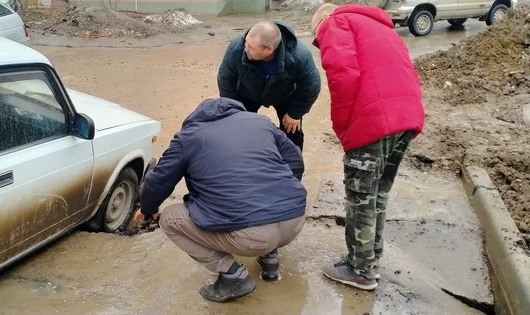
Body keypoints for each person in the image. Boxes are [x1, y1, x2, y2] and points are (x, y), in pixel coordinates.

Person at [132, 97, 308, 303]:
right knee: (259, 207)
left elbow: (158, 181)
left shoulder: (188, 137)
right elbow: (296, 161)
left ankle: (233, 276)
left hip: (253, 237)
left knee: (169, 219)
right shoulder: (260, 122)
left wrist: (147, 209)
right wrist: (279, 195)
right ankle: (270, 260)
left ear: (194, 118)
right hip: (295, 221)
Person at [310, 4, 425, 290]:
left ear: (324, 18)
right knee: (378, 193)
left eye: (317, 36)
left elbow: (342, 75)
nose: (320, 40)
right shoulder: (381, 27)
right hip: (406, 116)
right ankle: (369, 258)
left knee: (361, 197)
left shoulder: (335, 22)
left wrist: (345, 128)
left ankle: (359, 270)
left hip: (373, 118)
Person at [217, 20, 321, 152]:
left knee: (293, 131)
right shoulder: (237, 48)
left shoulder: (299, 55)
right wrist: (235, 110)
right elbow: (225, 80)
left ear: (269, 50)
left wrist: (295, 113)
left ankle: (292, 170)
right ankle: (243, 162)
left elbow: (311, 85)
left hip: (285, 94)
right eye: (246, 43)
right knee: (238, 129)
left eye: (251, 47)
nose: (245, 48)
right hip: (248, 92)